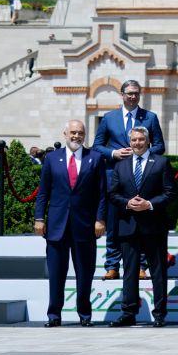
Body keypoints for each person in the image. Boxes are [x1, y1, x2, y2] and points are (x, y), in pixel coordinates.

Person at [34, 119, 106, 327]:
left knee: (85, 273)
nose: (76, 136)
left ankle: (85, 315)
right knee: (56, 274)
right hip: (57, 226)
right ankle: (54, 315)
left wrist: (100, 219)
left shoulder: (95, 158)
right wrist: (39, 218)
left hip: (85, 226)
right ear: (65, 134)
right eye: (73, 132)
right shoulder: (51, 158)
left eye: (80, 133)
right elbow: (43, 192)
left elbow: (102, 194)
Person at [93, 79, 165, 281]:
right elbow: (97, 146)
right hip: (116, 176)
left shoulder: (150, 117)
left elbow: (160, 146)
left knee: (141, 222)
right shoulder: (109, 118)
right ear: (122, 94)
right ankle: (112, 265)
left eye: (136, 93)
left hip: (142, 176)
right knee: (114, 223)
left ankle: (141, 266)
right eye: (129, 93)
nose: (133, 96)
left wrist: (141, 152)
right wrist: (113, 153)